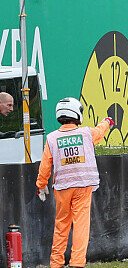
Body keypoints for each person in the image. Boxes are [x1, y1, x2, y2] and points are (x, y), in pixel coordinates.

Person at [36, 97, 114, 268]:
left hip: (62, 188)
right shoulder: (85, 133)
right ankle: (77, 263)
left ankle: (56, 263)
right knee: (80, 225)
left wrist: (41, 185)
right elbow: (100, 131)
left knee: (61, 225)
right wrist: (108, 121)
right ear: (76, 113)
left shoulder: (51, 138)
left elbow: (45, 165)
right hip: (83, 185)